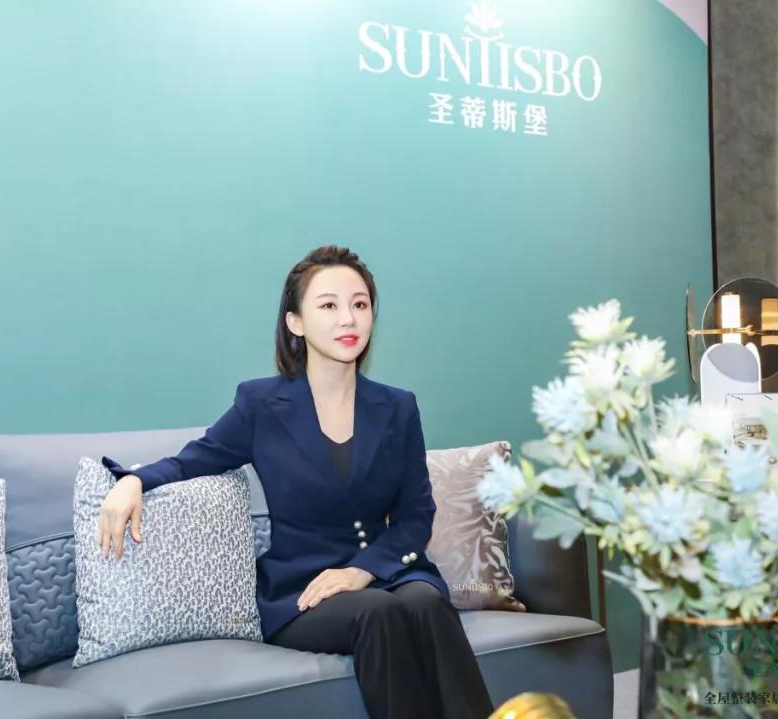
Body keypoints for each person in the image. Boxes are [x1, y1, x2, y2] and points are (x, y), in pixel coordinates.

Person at [97, 245, 495, 719]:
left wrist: (363, 570)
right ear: (296, 322)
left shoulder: (398, 407)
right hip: (300, 591)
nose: (348, 318)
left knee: (426, 602)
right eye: (328, 305)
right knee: (379, 612)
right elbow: (193, 461)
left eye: (360, 304)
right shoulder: (261, 405)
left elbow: (416, 515)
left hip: (387, 572)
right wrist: (132, 481)